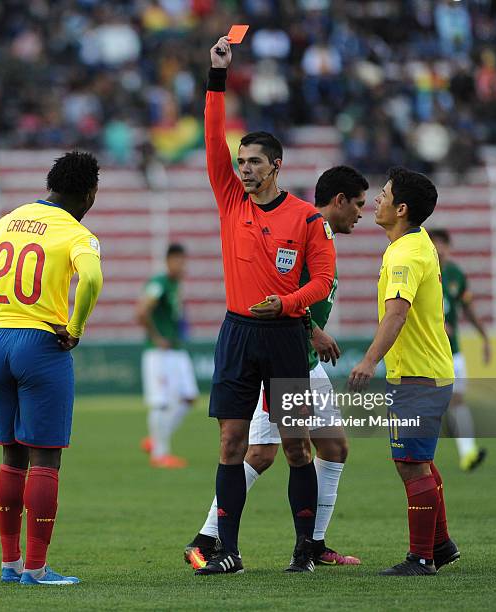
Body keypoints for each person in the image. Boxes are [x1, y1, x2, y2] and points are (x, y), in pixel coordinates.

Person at [195, 36, 336, 575]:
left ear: (276, 165)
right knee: (231, 442)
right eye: (241, 161)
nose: (244, 169)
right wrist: (216, 76)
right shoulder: (230, 199)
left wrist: (289, 304)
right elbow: (212, 136)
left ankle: (305, 549)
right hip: (237, 334)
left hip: (284, 337)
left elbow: (322, 281)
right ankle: (226, 551)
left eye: (254, 162)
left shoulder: (306, 219)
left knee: (298, 446)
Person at [184, 166, 368, 569]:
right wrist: (312, 328)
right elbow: (275, 289)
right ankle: (208, 538)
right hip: (283, 358)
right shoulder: (302, 227)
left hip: (305, 363)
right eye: (357, 204)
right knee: (263, 452)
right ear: (339, 200)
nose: (361, 213)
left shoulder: (321, 234)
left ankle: (313, 545)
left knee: (331, 446)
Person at [0, 151, 103, 586]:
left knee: (10, 455)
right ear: (88, 194)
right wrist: (75, 327)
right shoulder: (79, 234)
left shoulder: (8, 220)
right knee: (45, 458)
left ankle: (10, 563)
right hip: (41, 344)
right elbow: (91, 281)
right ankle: (37, 569)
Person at [349, 167, 460, 576]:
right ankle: (440, 545)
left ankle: (421, 557)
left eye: (383, 194)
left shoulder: (404, 254)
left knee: (411, 464)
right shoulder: (417, 243)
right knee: (421, 462)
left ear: (402, 208)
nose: (375, 200)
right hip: (426, 371)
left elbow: (396, 314)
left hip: (416, 375)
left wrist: (368, 361)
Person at [428, 228, 489, 471]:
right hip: (428, 352)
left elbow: (468, 309)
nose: (440, 247)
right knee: (435, 405)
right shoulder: (422, 271)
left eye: (444, 243)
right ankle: (422, 458)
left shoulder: (455, 274)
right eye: (435, 243)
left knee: (457, 401)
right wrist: (435, 325)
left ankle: (468, 453)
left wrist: (484, 337)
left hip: (453, 351)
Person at [136, 243, 198, 468]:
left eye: (184, 261)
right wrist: (156, 337)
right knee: (160, 403)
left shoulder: (174, 285)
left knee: (189, 397)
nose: (182, 265)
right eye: (179, 261)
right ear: (169, 261)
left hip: (176, 349)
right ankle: (160, 454)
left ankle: (156, 440)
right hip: (159, 352)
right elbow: (142, 311)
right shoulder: (159, 283)